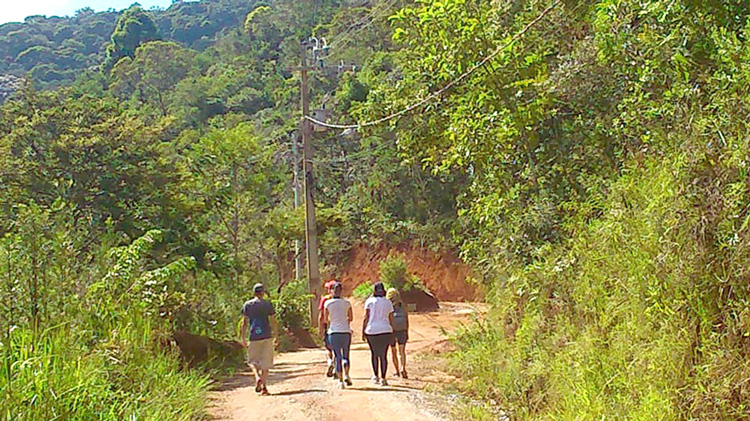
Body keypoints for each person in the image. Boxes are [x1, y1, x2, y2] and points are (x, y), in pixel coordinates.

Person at [241, 283, 278, 396]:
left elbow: (244, 323)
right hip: (266, 335)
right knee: (266, 362)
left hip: (253, 336)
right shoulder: (267, 304)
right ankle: (264, 387)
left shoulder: (247, 305)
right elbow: (273, 321)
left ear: (254, 292)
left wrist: (242, 337)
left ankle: (257, 377)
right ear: (263, 292)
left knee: (252, 361)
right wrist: (276, 335)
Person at [362, 281, 394, 386]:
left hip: (372, 330)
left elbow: (366, 317)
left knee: (374, 354)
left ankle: (375, 376)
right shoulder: (388, 302)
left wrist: (363, 331)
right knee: (383, 355)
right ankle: (384, 378)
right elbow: (391, 318)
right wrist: (392, 330)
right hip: (386, 330)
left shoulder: (369, 301)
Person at [324, 282, 353, 389]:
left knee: (337, 356)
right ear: (342, 291)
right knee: (346, 355)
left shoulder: (328, 304)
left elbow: (326, 319)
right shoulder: (347, 303)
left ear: (332, 291)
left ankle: (340, 381)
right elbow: (351, 318)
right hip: (345, 332)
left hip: (333, 332)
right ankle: (347, 375)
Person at [387, 288, 410, 379]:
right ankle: (403, 368)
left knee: (393, 351)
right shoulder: (403, 305)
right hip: (402, 329)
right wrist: (406, 330)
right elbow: (407, 318)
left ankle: (397, 371)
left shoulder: (388, 306)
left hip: (392, 330)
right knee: (402, 351)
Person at [318, 280, 337, 378]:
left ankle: (330, 362)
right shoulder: (339, 299)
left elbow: (321, 315)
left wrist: (320, 327)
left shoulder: (324, 299)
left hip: (327, 326)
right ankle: (335, 365)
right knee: (337, 348)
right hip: (337, 326)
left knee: (328, 347)